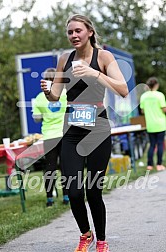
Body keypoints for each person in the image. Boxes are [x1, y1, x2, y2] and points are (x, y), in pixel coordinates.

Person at [41, 14, 128, 252]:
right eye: (70, 32)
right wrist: (49, 91)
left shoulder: (104, 57)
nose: (73, 36)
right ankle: (85, 234)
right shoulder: (64, 59)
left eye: (78, 31)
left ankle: (101, 240)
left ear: (89, 31)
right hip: (72, 130)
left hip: (98, 129)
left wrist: (95, 74)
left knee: (93, 190)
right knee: (74, 190)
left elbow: (123, 90)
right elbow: (56, 95)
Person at [32, 68, 69, 207]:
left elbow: (36, 118)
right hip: (64, 134)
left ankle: (49, 199)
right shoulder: (65, 93)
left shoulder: (40, 97)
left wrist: (46, 114)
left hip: (49, 136)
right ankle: (66, 197)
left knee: (50, 167)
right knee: (65, 167)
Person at [140, 77, 166, 171]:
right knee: (160, 144)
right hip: (160, 124)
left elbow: (142, 111)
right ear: (156, 85)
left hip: (150, 125)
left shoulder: (144, 96)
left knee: (151, 145)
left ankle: (149, 165)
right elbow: (164, 109)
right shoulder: (160, 95)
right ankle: (159, 164)